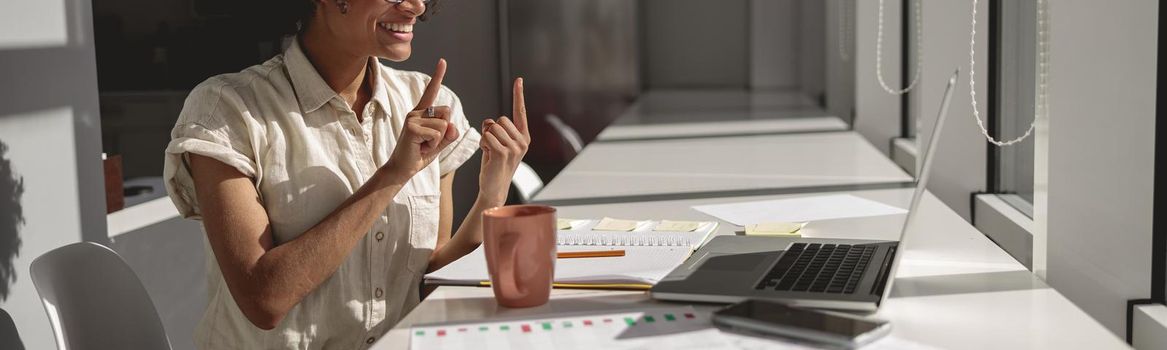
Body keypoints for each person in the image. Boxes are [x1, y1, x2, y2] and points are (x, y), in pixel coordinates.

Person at [161, 0, 530, 348]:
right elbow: (264, 300)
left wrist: (492, 196)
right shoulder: (226, 110)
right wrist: (392, 175)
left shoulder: (430, 101)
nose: (416, 6)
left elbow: (427, 286)